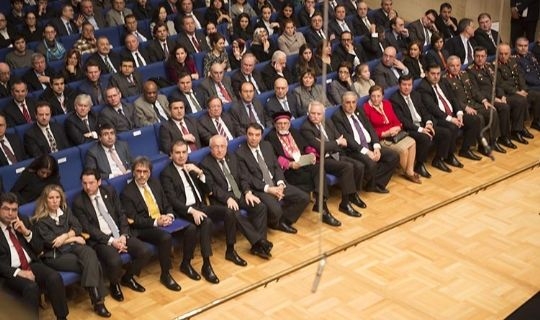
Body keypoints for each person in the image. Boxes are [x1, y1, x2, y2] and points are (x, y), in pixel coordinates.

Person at [73, 168, 153, 302]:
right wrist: (111, 241)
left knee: (144, 252)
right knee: (115, 261)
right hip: (101, 240)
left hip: (119, 233)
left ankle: (128, 278)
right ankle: (114, 284)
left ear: (99, 182)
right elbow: (88, 228)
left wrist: (123, 234)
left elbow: (121, 213)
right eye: (84, 183)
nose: (87, 187)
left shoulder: (109, 191)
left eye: (91, 183)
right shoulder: (79, 202)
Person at [32, 185, 111, 317]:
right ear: (45, 200)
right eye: (51, 198)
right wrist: (72, 237)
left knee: (90, 253)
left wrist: (65, 236)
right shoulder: (40, 220)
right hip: (55, 255)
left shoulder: (65, 210)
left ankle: (97, 299)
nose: (54, 201)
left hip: (72, 246)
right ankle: (98, 302)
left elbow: (78, 226)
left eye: (57, 197)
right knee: (93, 264)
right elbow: (51, 242)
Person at [160, 140, 238, 274]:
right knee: (206, 221)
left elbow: (209, 189)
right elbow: (172, 200)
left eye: (184, 152)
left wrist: (200, 173)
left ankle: (230, 250)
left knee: (228, 212)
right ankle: (206, 264)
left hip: (201, 205)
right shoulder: (167, 173)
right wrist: (192, 211)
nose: (181, 156)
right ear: (171, 155)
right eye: (177, 153)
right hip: (184, 210)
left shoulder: (193, 166)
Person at [265, 112, 342, 226]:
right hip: (288, 171)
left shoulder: (294, 132)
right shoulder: (270, 138)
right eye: (279, 124)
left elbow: (306, 146)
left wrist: (311, 154)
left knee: (319, 169)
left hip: (302, 164)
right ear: (275, 125)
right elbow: (273, 158)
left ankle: (321, 203)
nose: (282, 126)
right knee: (316, 180)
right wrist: (289, 164)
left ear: (289, 124)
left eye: (285, 123)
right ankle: (323, 210)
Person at [0, 192, 69, 320]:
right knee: (31, 288)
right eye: (6, 209)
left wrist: (26, 233)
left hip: (30, 264)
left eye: (14, 210)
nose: (10, 213)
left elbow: (39, 247)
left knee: (54, 277)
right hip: (9, 272)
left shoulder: (23, 219)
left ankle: (62, 317)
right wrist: (19, 272)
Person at [201, 134, 271, 259]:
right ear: (210, 148)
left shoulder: (232, 157)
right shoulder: (205, 164)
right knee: (235, 213)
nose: (219, 150)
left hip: (238, 193)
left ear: (226, 147)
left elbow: (243, 177)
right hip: (221, 199)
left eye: (222, 146)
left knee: (260, 207)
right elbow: (212, 188)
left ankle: (259, 246)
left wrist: (247, 192)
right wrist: (227, 198)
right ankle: (260, 242)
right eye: (216, 147)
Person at [120, 157, 183, 291]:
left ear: (149, 173)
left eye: (145, 171)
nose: (142, 175)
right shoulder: (127, 192)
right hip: (143, 228)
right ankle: (165, 274)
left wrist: (169, 215)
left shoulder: (154, 183)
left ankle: (186, 263)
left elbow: (166, 203)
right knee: (165, 238)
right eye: (138, 171)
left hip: (162, 220)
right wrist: (156, 222)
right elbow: (134, 220)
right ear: (133, 172)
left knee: (190, 229)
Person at [236, 123, 310, 234]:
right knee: (276, 210)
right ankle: (276, 221)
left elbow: (276, 166)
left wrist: (280, 183)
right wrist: (269, 189)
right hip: (261, 189)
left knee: (304, 198)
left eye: (257, 135)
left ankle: (282, 222)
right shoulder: (240, 153)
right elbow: (247, 178)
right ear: (246, 135)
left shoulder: (267, 146)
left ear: (261, 136)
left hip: (276, 183)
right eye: (250, 134)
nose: (254, 138)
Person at [300, 100, 367, 215]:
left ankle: (352, 194)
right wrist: (336, 142)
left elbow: (338, 137)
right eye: (313, 113)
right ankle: (345, 204)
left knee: (359, 166)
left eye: (318, 114)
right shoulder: (306, 128)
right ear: (308, 113)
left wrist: (332, 144)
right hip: (322, 160)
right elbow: (321, 147)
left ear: (323, 114)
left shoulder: (328, 121)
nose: (316, 116)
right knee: (347, 167)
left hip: (335, 153)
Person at [332, 91, 400, 193]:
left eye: (353, 102)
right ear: (342, 103)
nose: (351, 106)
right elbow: (348, 139)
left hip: (369, 145)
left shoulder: (359, 110)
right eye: (348, 102)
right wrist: (367, 152)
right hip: (354, 150)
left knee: (393, 156)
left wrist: (376, 146)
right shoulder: (337, 116)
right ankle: (368, 184)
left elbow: (370, 128)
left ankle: (375, 184)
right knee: (371, 164)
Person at [390, 74, 455, 175]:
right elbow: (403, 121)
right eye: (404, 85)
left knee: (446, 133)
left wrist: (428, 123)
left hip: (422, 125)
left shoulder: (416, 95)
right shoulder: (395, 100)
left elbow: (424, 111)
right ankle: (419, 165)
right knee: (425, 137)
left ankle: (438, 159)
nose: (407, 87)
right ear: (399, 85)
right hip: (409, 129)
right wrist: (420, 129)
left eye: (409, 85)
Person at [417, 64, 482, 162]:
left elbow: (453, 98)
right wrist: (451, 119)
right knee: (452, 126)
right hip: (438, 118)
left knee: (475, 119)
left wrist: (459, 113)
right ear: (426, 74)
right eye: (433, 74)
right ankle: (448, 156)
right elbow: (433, 108)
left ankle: (465, 149)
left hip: (452, 114)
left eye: (438, 74)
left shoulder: (443, 81)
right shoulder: (423, 87)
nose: (436, 76)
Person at [445, 55, 507, 155]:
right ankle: (483, 146)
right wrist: (465, 108)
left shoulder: (464, 74)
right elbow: (451, 99)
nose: (455, 68)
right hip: (461, 109)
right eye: (452, 66)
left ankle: (493, 141)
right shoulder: (445, 80)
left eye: (457, 65)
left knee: (492, 111)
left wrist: (484, 101)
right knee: (479, 118)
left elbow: (474, 90)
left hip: (474, 103)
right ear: (447, 66)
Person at [467, 46, 523, 149]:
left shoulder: (489, 66)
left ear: (486, 57)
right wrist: (493, 99)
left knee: (518, 101)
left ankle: (517, 131)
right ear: (473, 57)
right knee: (504, 108)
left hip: (497, 96)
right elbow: (476, 91)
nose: (480, 59)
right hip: (485, 100)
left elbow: (498, 84)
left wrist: (502, 96)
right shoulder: (470, 71)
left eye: (482, 56)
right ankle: (500, 138)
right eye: (477, 56)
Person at [363, 85, 421, 184]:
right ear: (370, 96)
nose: (376, 99)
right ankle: (408, 173)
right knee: (403, 150)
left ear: (383, 96)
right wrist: (385, 133)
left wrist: (397, 127)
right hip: (381, 138)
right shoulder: (366, 108)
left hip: (394, 133)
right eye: (373, 96)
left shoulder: (387, 104)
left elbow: (395, 119)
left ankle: (409, 170)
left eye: (378, 96)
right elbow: (369, 130)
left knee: (412, 142)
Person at [497, 43, 540, 132]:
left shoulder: (513, 61)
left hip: (519, 90)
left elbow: (520, 76)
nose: (503, 56)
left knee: (536, 95)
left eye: (506, 54)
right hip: (508, 94)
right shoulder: (495, 66)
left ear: (510, 53)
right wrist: (517, 92)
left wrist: (524, 89)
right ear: (497, 54)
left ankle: (536, 122)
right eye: (501, 54)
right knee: (521, 100)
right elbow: (501, 84)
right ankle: (518, 129)